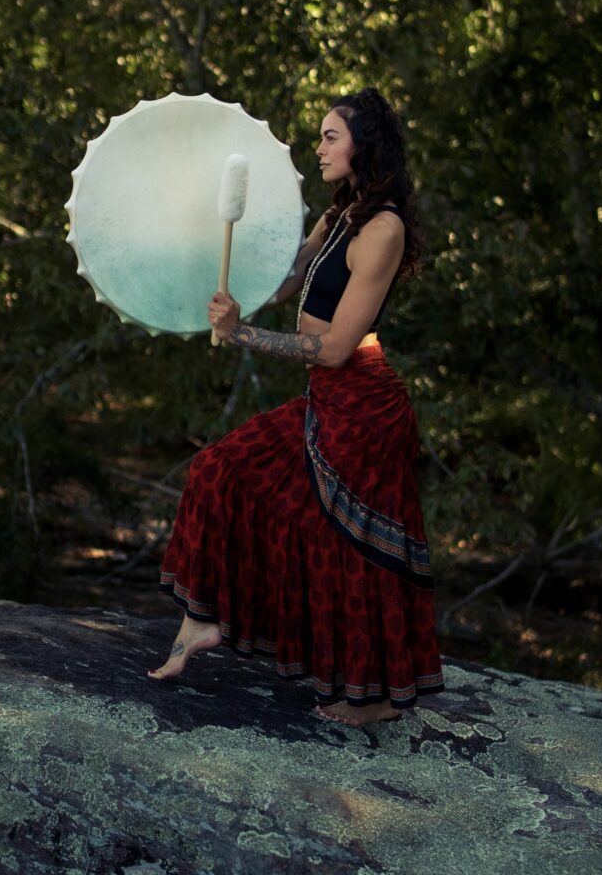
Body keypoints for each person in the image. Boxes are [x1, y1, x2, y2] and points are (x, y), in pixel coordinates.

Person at [148, 87, 445, 727]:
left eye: (330, 136)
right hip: (326, 400)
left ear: (363, 145)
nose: (319, 147)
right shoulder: (338, 214)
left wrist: (242, 337)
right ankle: (202, 621)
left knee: (346, 552)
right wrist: (228, 293)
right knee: (216, 470)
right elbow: (289, 281)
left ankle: (370, 700)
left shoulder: (383, 228)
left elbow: (336, 348)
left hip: (363, 406)